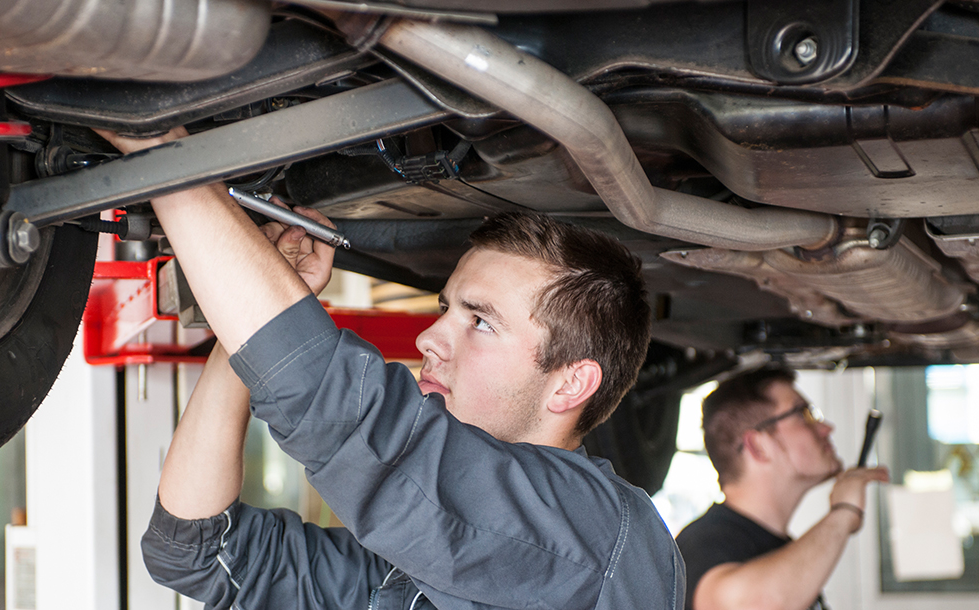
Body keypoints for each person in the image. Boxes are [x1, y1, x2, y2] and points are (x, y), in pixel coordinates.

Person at [97, 128, 685, 610]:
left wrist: (163, 156)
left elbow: (349, 420)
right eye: (445, 309)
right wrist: (238, 343)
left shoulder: (597, 533)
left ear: (571, 382)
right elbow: (197, 553)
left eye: (479, 322)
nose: (429, 337)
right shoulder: (415, 567)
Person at [675, 367, 890, 610]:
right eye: (803, 414)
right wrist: (843, 512)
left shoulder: (781, 551)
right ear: (758, 445)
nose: (826, 427)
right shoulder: (702, 545)